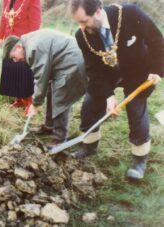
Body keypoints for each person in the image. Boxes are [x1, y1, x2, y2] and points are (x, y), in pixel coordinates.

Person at [69, 0, 164, 180]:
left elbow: (156, 40)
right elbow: (93, 69)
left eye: (84, 21)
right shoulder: (82, 35)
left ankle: (139, 160)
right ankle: (89, 146)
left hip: (137, 70)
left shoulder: (130, 14)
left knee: (136, 108)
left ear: (97, 12)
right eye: (78, 22)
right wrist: (108, 96)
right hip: (106, 73)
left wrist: (157, 69)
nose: (81, 27)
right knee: (90, 103)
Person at [3, 29, 87, 148]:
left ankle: (59, 139)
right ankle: (49, 126)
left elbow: (41, 78)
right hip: (65, 61)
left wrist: (35, 103)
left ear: (18, 46)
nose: (15, 61)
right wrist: (37, 99)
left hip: (74, 63)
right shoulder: (27, 42)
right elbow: (43, 77)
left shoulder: (33, 48)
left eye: (13, 57)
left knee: (60, 97)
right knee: (51, 91)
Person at [0, 0, 41, 115]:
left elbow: (35, 21)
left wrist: (31, 42)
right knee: (11, 71)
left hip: (23, 41)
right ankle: (19, 100)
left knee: (25, 74)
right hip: (10, 40)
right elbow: (4, 17)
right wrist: (0, 36)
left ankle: (29, 103)